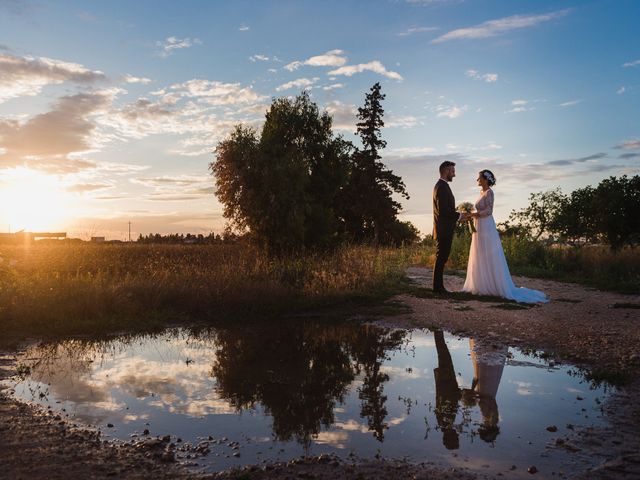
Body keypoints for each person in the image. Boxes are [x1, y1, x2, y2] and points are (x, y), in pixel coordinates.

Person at [462, 170, 548, 303]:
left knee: (488, 253)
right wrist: (470, 214)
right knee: (480, 253)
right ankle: (481, 284)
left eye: (479, 177)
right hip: (479, 224)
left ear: (486, 179)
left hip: (486, 225)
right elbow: (481, 210)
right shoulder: (481, 193)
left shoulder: (490, 192)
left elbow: (489, 211)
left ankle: (494, 285)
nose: (477, 180)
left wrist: (473, 215)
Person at [432, 161, 468, 293]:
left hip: (444, 228)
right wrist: (459, 216)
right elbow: (443, 210)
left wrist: (458, 216)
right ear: (446, 171)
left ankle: (438, 287)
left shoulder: (442, 185)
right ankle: (437, 288)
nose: (454, 174)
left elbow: (445, 210)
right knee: (441, 257)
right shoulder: (441, 186)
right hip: (443, 229)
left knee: (442, 257)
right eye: (452, 171)